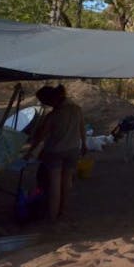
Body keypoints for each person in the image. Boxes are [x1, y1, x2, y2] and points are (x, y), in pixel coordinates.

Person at [26, 84, 86, 221]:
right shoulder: (77, 109)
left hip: (55, 152)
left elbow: (40, 136)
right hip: (73, 150)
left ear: (51, 100)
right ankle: (63, 212)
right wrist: (85, 144)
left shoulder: (53, 116)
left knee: (55, 184)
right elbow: (82, 127)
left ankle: (52, 216)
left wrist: (30, 150)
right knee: (67, 182)